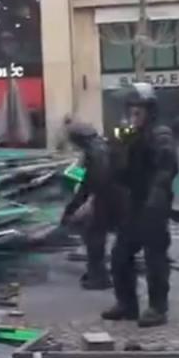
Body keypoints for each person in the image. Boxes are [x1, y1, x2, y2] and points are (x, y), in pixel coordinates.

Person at [104, 83, 178, 328]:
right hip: (134, 203)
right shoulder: (131, 136)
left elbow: (166, 168)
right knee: (120, 256)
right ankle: (127, 304)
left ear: (149, 111)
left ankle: (157, 308)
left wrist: (156, 198)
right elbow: (121, 173)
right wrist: (119, 147)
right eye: (131, 110)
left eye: (138, 111)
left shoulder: (161, 134)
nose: (133, 115)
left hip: (154, 205)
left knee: (155, 258)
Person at [60, 122, 126, 291]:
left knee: (95, 237)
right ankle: (98, 273)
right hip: (108, 197)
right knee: (95, 236)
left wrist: (90, 202)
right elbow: (85, 179)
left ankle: (99, 277)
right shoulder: (97, 148)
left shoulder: (97, 151)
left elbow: (98, 180)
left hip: (106, 198)